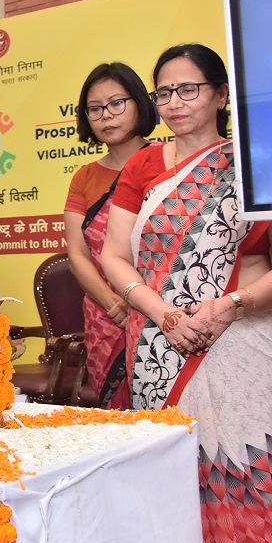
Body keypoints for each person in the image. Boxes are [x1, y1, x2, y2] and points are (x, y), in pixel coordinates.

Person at [101, 44, 272, 543]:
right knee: (170, 477)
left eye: (188, 89)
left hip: (244, 344)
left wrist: (231, 305)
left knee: (250, 470)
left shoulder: (260, 161)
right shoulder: (143, 165)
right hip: (157, 343)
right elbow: (114, 255)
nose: (174, 103)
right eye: (164, 92)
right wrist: (164, 314)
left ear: (221, 95)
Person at [63, 63, 156, 408]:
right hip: (104, 316)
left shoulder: (166, 163)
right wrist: (113, 304)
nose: (106, 115)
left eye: (117, 103)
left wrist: (142, 303)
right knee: (118, 420)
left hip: (162, 310)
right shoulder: (85, 178)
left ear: (139, 104)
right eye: (95, 108)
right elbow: (78, 253)